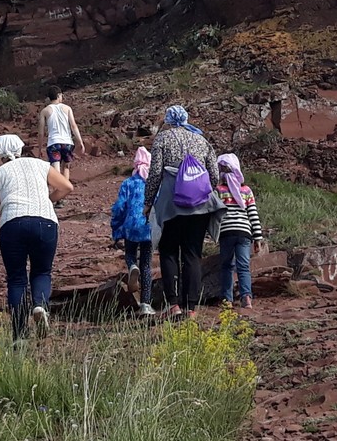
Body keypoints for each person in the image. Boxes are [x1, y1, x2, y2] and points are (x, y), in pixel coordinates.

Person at [0, 134, 73, 338]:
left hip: (12, 225)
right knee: (41, 272)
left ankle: (20, 335)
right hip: (45, 222)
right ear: (20, 149)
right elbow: (66, 187)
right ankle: (40, 306)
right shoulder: (39, 164)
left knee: (16, 280)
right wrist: (47, 200)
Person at [146, 104, 216, 315]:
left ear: (168, 119)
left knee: (168, 251)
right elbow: (214, 174)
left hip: (171, 204)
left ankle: (173, 304)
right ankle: (191, 307)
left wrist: (148, 202)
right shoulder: (201, 140)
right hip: (200, 206)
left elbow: (155, 173)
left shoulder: (163, 139)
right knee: (192, 254)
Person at [211, 152, 265, 309]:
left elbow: (215, 214)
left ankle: (227, 299)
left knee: (227, 266)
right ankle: (246, 297)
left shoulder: (218, 190)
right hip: (244, 233)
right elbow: (253, 215)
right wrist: (258, 238)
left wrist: (214, 234)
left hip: (226, 233)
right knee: (243, 266)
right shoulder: (246, 191)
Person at [110, 146, 156, 315]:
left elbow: (119, 207)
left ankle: (131, 266)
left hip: (130, 226)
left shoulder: (127, 183)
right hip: (148, 227)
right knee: (147, 264)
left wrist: (116, 227)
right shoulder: (152, 184)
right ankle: (145, 304)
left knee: (130, 253)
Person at [38, 87, 85, 179]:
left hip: (54, 143)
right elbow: (73, 126)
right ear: (58, 95)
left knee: (56, 169)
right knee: (66, 167)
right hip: (67, 142)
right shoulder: (67, 108)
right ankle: (64, 190)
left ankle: (57, 189)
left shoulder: (44, 111)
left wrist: (40, 148)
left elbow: (41, 132)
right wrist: (80, 142)